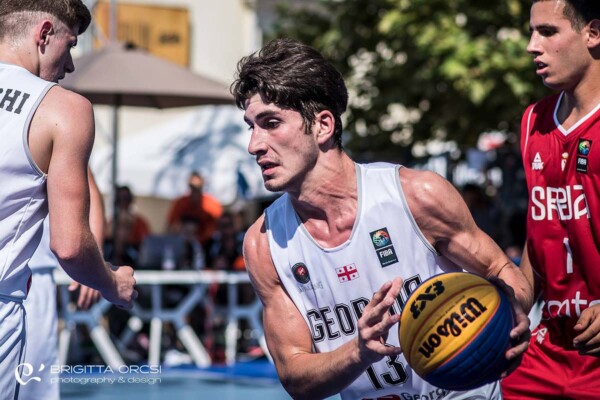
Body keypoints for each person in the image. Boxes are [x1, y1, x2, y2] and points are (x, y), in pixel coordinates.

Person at [232, 38, 533, 400]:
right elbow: (294, 376)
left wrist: (512, 315)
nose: (254, 145)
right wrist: (358, 352)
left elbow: (502, 270)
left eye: (271, 123)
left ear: (323, 125)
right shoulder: (264, 243)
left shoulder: (416, 195)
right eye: (251, 127)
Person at [0, 1, 136, 396]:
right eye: (71, 45)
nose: (71, 65)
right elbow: (70, 245)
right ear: (44, 34)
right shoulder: (61, 109)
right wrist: (112, 283)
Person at [501, 1, 600, 399]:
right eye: (531, 31)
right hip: (548, 348)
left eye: (547, 31)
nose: (531, 45)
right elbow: (542, 229)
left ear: (593, 33)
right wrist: (514, 306)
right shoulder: (532, 122)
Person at [21, 169, 103, 400]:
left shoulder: (41, 141)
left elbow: (89, 189)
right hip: (29, 276)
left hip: (31, 276)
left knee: (30, 386)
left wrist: (92, 263)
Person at [167, 171, 223, 247]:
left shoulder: (212, 204)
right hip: (183, 243)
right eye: (193, 187)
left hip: (206, 244)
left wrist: (200, 238)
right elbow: (171, 225)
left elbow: (217, 227)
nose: (195, 192)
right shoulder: (181, 203)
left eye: (198, 188)